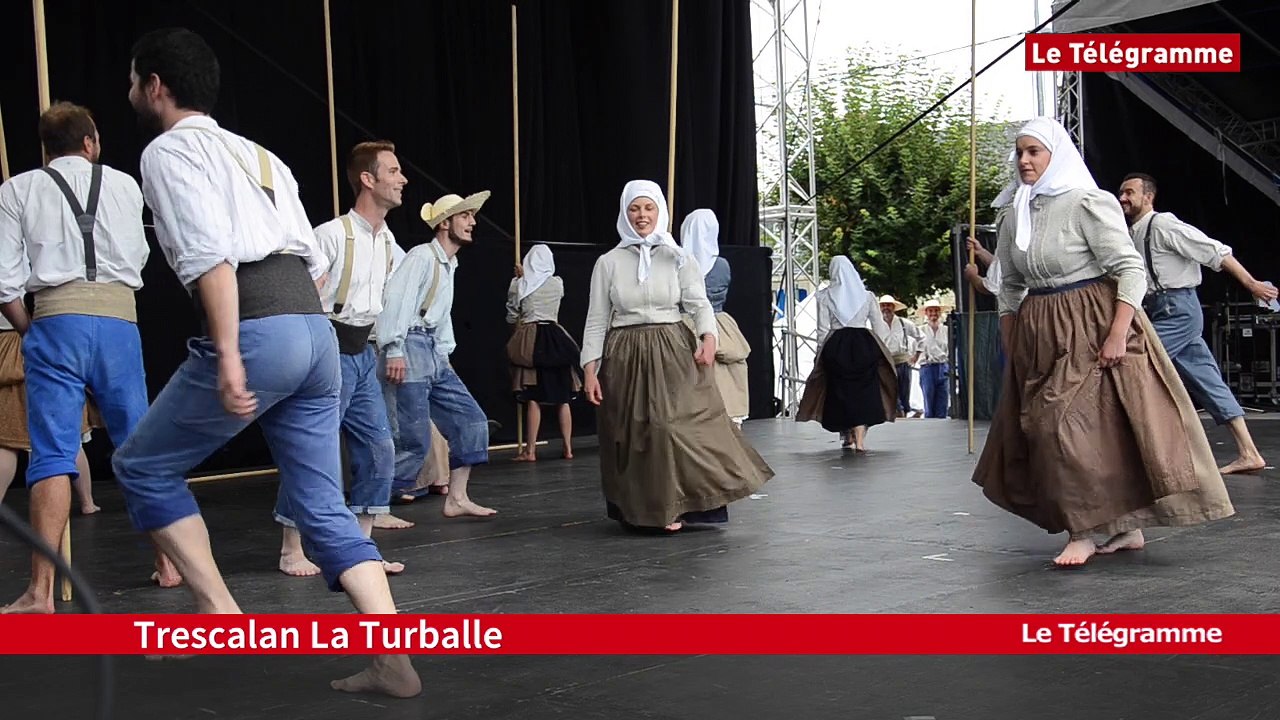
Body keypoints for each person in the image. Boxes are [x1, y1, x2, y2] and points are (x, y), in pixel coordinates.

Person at [111, 27, 419, 696]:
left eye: (134, 81)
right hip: (314, 333)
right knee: (322, 503)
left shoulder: (168, 150)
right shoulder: (260, 154)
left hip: (259, 326)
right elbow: (311, 265)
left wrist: (229, 353)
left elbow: (211, 258)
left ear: (156, 87)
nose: (130, 91)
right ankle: (393, 660)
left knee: (141, 466)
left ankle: (219, 612)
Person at [972, 117, 1233, 568]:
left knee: (1064, 426)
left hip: (1089, 319)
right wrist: (1010, 337)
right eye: (1020, 152)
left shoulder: (1086, 202)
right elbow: (1010, 284)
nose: (1024, 160)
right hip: (1040, 326)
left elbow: (1129, 268)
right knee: (1074, 430)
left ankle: (1084, 530)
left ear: (1055, 155)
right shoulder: (1014, 213)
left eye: (1034, 151)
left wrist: (1117, 333)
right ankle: (1125, 526)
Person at [0, 101, 166, 614]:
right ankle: (169, 562)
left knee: (51, 453)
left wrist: (31, 331)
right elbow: (140, 255)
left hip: (56, 321)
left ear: (46, 148)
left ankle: (41, 592)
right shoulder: (124, 185)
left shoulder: (19, 188)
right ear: (90, 142)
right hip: (119, 322)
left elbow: (4, 281)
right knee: (139, 446)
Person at [581, 180, 772, 532]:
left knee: (673, 426)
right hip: (624, 351)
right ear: (625, 212)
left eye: (648, 208)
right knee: (635, 433)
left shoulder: (678, 257)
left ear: (660, 212)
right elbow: (596, 318)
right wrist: (590, 368)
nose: (641, 215)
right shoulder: (608, 263)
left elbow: (699, 304)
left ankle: (681, 503)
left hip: (671, 346)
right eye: (634, 208)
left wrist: (709, 337)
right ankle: (647, 508)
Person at [273, 141, 412, 579]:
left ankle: (360, 548)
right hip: (327, 346)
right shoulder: (331, 235)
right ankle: (292, 548)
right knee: (312, 447)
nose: (402, 179)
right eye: (393, 171)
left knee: (379, 447)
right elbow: (299, 293)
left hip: (362, 351)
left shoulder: (389, 242)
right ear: (368, 179)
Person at [1118, 172, 1276, 475]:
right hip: (1160, 309)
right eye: (1121, 192)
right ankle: (1249, 452)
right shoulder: (1133, 232)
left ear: (1148, 197)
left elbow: (1214, 251)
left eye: (1129, 192)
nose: (1122, 198)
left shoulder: (1163, 225)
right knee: (1208, 381)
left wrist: (1252, 284)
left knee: (1132, 361)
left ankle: (1138, 451)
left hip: (1178, 310)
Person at [376, 191, 495, 517]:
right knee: (412, 439)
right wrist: (394, 349)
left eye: (472, 216)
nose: (472, 222)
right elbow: (396, 301)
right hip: (409, 346)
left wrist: (443, 354)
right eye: (465, 216)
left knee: (471, 421)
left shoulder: (449, 264)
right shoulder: (421, 257)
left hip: (432, 351)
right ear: (444, 223)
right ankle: (374, 507)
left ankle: (456, 498)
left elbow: (441, 317)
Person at [796, 257, 897, 451]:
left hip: (837, 346)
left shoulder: (825, 296)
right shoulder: (867, 296)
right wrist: (881, 348)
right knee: (864, 390)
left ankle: (846, 433)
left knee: (841, 391)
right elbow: (879, 326)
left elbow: (822, 329)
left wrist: (820, 353)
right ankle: (860, 438)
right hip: (864, 344)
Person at [506, 243, 581, 461]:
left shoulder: (519, 284)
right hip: (556, 338)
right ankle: (568, 447)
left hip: (532, 338)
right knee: (563, 397)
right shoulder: (557, 283)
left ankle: (530, 450)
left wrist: (520, 280)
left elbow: (512, 313)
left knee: (533, 396)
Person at [679, 208, 751, 425]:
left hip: (686, 324)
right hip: (720, 323)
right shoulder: (722, 265)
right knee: (726, 381)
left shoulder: (677, 264)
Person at [878, 294, 921, 418]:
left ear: (894, 307)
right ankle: (896, 414)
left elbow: (921, 337)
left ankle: (903, 415)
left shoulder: (904, 323)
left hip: (902, 361)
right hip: (885, 362)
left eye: (888, 305)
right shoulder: (877, 324)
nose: (886, 308)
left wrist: (916, 356)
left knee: (904, 392)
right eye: (883, 305)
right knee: (890, 391)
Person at [917, 299, 949, 418]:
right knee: (929, 402)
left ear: (940, 312)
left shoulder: (946, 330)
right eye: (930, 311)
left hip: (943, 366)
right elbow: (915, 348)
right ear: (926, 313)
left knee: (943, 401)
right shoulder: (921, 330)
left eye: (936, 310)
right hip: (927, 367)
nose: (933, 313)